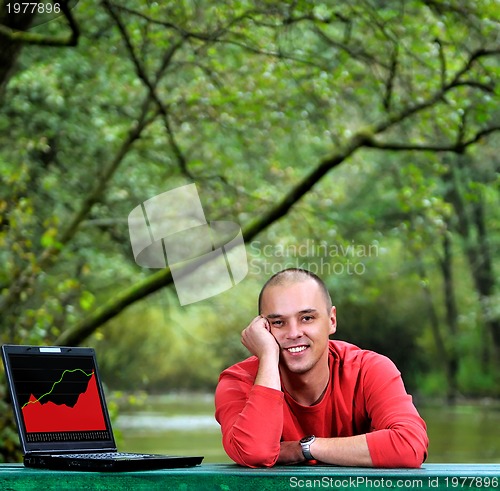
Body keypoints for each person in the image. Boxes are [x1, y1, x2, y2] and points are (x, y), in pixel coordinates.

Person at [214, 268, 428, 468]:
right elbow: (255, 453)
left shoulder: (369, 369)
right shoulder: (237, 381)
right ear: (262, 328)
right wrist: (268, 355)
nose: (294, 333)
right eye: (278, 323)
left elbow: (409, 445)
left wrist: (305, 448)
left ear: (332, 320)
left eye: (307, 318)